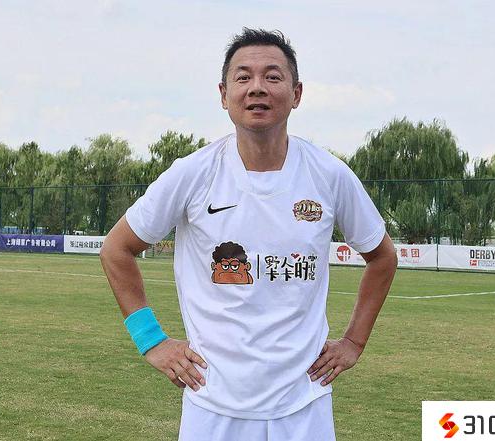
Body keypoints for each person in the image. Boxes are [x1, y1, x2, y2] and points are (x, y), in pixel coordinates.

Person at [100, 28, 398, 441]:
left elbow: (382, 256)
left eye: (272, 76)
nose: (257, 87)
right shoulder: (193, 173)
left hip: (303, 403)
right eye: (243, 77)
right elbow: (117, 249)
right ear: (224, 95)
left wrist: (353, 342)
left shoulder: (329, 175)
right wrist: (151, 340)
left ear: (296, 94)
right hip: (212, 402)